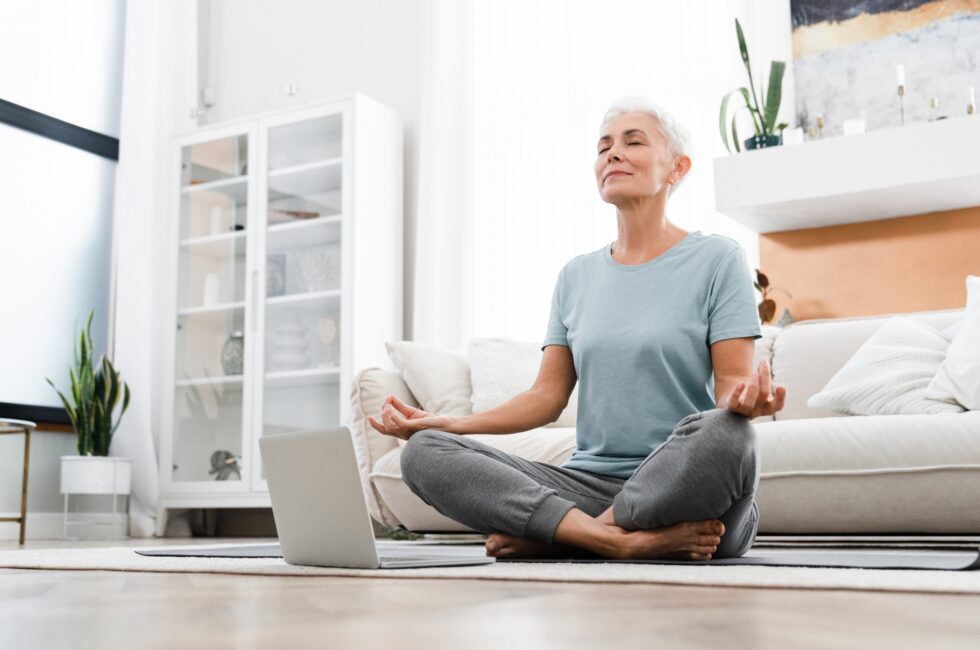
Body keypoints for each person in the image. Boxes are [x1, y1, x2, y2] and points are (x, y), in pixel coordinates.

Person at [368, 96, 787, 561]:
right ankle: (614, 540)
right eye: (604, 146)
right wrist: (451, 424)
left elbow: (731, 388)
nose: (613, 153)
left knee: (729, 435)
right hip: (590, 484)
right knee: (424, 452)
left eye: (633, 142)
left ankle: (568, 534)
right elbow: (545, 397)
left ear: (677, 167)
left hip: (687, 491)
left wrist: (746, 403)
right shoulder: (575, 276)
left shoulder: (718, 259)